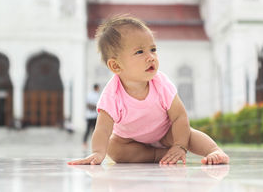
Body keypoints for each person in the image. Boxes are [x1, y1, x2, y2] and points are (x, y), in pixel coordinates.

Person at [68, 16, 229, 165]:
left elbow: (179, 116)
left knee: (188, 133)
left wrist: (179, 145)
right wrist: (97, 152)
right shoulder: (112, 94)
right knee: (114, 149)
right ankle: (158, 155)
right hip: (130, 140)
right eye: (140, 52)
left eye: (153, 49)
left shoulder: (161, 83)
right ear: (116, 66)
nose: (151, 56)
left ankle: (214, 151)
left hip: (165, 133)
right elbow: (102, 128)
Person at [83, 84, 101, 149]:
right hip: (91, 115)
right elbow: (88, 105)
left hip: (93, 115)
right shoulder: (93, 95)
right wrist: (94, 107)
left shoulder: (96, 95)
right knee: (89, 130)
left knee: (93, 130)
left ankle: (93, 143)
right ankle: (85, 142)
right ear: (96, 88)